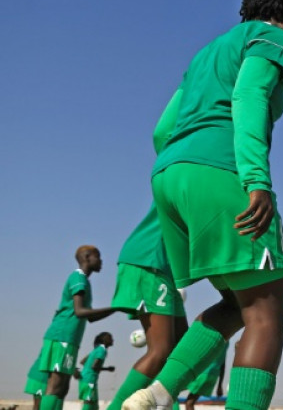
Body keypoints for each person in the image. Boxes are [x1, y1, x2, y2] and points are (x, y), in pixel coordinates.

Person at [123, 0, 283, 410]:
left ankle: (154, 395)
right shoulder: (273, 37)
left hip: (170, 175)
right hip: (221, 171)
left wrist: (184, 169)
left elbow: (162, 129)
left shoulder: (207, 53)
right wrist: (256, 180)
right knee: (267, 315)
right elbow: (250, 96)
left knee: (235, 303)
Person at [106, 85, 189, 410]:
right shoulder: (183, 163)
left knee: (184, 345)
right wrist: (189, 86)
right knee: (159, 351)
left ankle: (159, 401)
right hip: (149, 260)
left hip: (162, 267)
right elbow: (163, 132)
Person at [37, 246, 116, 410]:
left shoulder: (84, 281)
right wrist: (116, 307)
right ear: (87, 257)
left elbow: (91, 317)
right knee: (56, 386)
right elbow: (80, 311)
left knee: (63, 388)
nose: (101, 261)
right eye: (98, 256)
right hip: (62, 335)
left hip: (69, 338)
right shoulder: (78, 278)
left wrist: (117, 308)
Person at [76, 332, 116, 410]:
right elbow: (94, 366)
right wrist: (108, 369)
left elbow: (82, 361)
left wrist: (87, 368)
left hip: (85, 378)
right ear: (105, 340)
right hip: (89, 379)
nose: (112, 340)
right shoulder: (102, 350)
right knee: (89, 402)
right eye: (110, 338)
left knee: (94, 405)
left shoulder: (96, 349)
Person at [182, 343, 229, 410]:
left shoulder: (213, 337)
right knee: (189, 401)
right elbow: (223, 364)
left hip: (202, 373)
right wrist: (220, 385)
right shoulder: (226, 342)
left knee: (188, 402)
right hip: (213, 375)